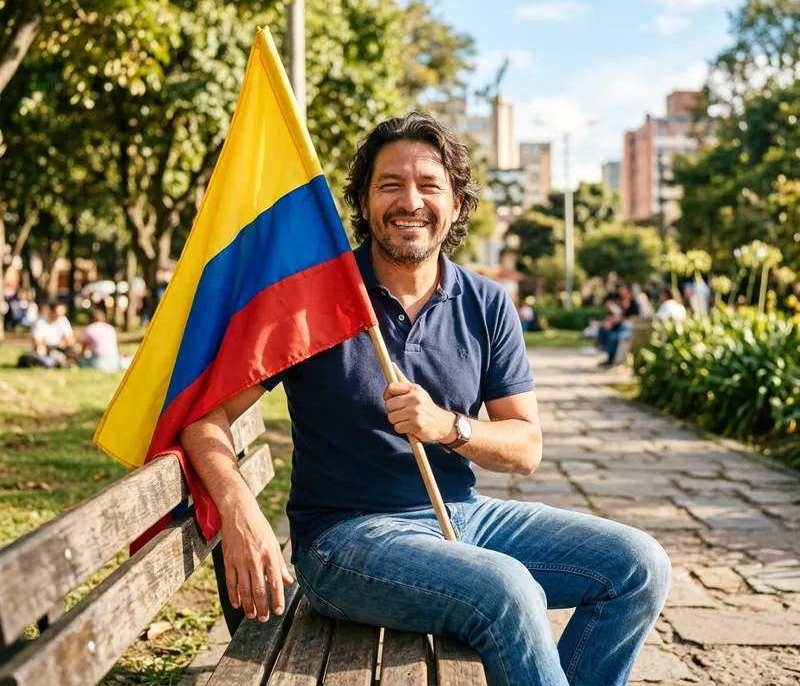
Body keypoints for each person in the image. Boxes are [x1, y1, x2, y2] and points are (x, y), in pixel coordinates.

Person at [180, 114, 671, 686]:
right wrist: (241, 514)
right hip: (346, 540)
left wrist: (448, 427)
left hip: (465, 517)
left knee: (639, 566)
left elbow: (525, 445)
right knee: (505, 590)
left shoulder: (487, 302)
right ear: (363, 204)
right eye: (389, 185)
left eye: (428, 185)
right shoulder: (317, 302)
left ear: (457, 204)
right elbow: (205, 421)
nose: (409, 202)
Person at [81, 307, 122, 372]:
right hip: (114, 360)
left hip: (98, 361)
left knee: (82, 361)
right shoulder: (110, 328)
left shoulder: (89, 329)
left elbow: (84, 348)